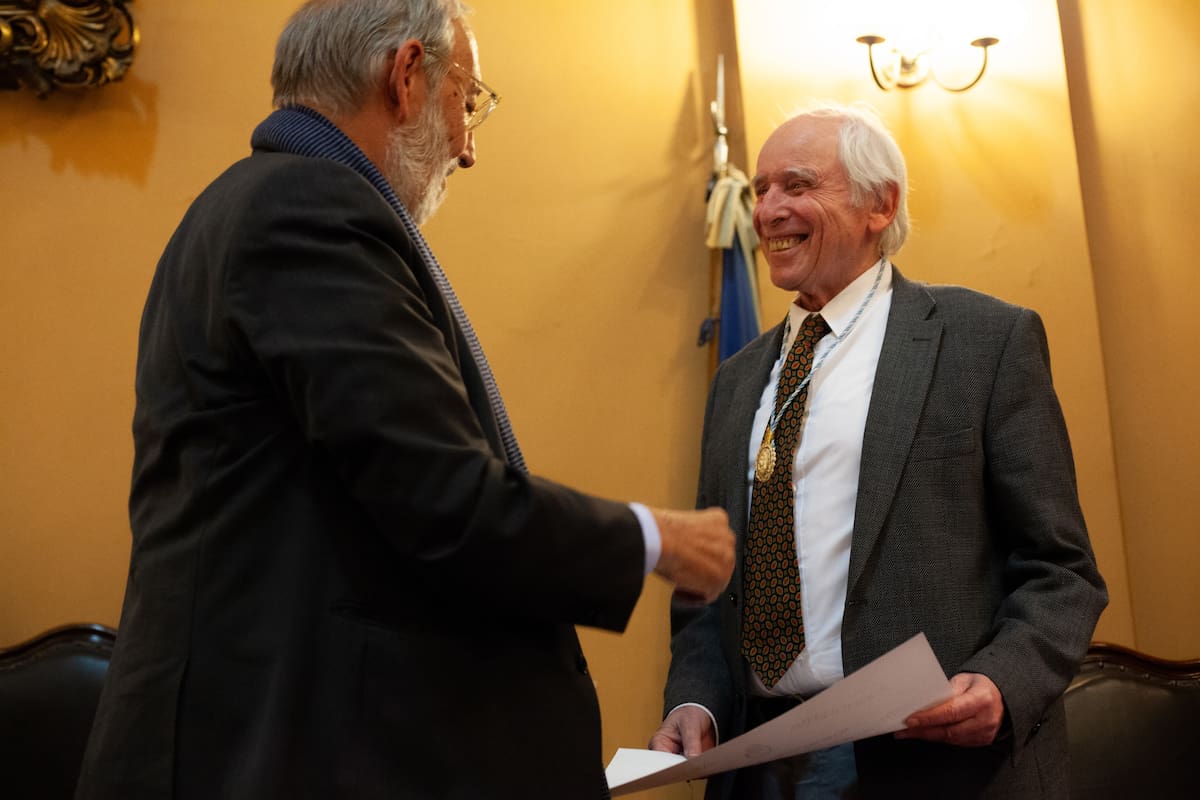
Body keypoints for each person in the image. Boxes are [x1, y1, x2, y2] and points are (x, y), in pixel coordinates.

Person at [75, 1, 735, 798]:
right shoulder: (309, 209)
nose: (468, 147)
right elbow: (441, 497)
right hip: (275, 755)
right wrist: (653, 539)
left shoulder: (261, 202)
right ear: (408, 74)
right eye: (468, 100)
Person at [648, 102, 1108, 798]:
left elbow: (1061, 570)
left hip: (940, 769)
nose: (768, 208)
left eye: (797, 186)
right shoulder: (737, 381)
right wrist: (695, 700)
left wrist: (1001, 683)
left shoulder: (983, 342)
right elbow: (709, 588)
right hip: (757, 765)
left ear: (879, 204)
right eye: (762, 188)